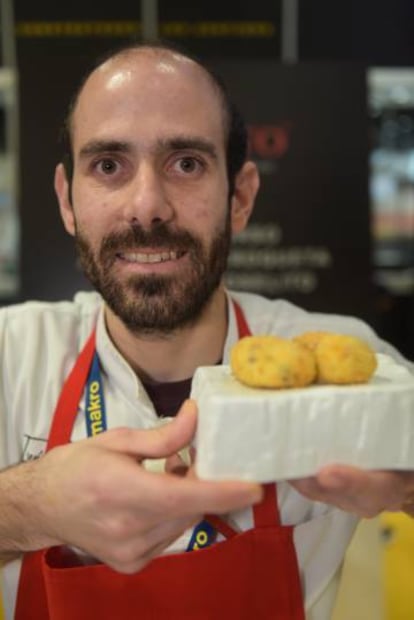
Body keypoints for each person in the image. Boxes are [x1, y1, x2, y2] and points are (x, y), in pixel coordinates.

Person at [0, 41, 413, 620]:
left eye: (186, 163)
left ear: (240, 197)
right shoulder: (11, 356)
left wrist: (408, 490)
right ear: (68, 200)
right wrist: (29, 506)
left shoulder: (342, 369)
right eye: (109, 165)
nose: (147, 206)